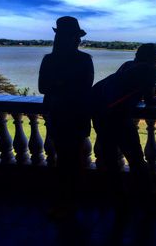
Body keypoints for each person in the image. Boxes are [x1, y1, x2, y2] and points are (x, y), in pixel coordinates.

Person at [91, 43, 156, 194]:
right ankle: (147, 194)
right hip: (117, 117)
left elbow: (123, 88)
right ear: (150, 58)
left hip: (100, 114)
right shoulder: (149, 70)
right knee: (136, 159)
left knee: (110, 161)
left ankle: (118, 198)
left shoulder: (128, 65)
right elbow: (149, 101)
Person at [38, 16, 94, 215]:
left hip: (64, 114)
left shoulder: (50, 60)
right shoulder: (84, 60)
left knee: (66, 158)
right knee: (67, 159)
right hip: (69, 115)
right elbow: (84, 87)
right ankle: (68, 200)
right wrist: (67, 85)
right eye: (75, 36)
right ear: (67, 37)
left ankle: (66, 200)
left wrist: (60, 84)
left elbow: (45, 87)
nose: (78, 40)